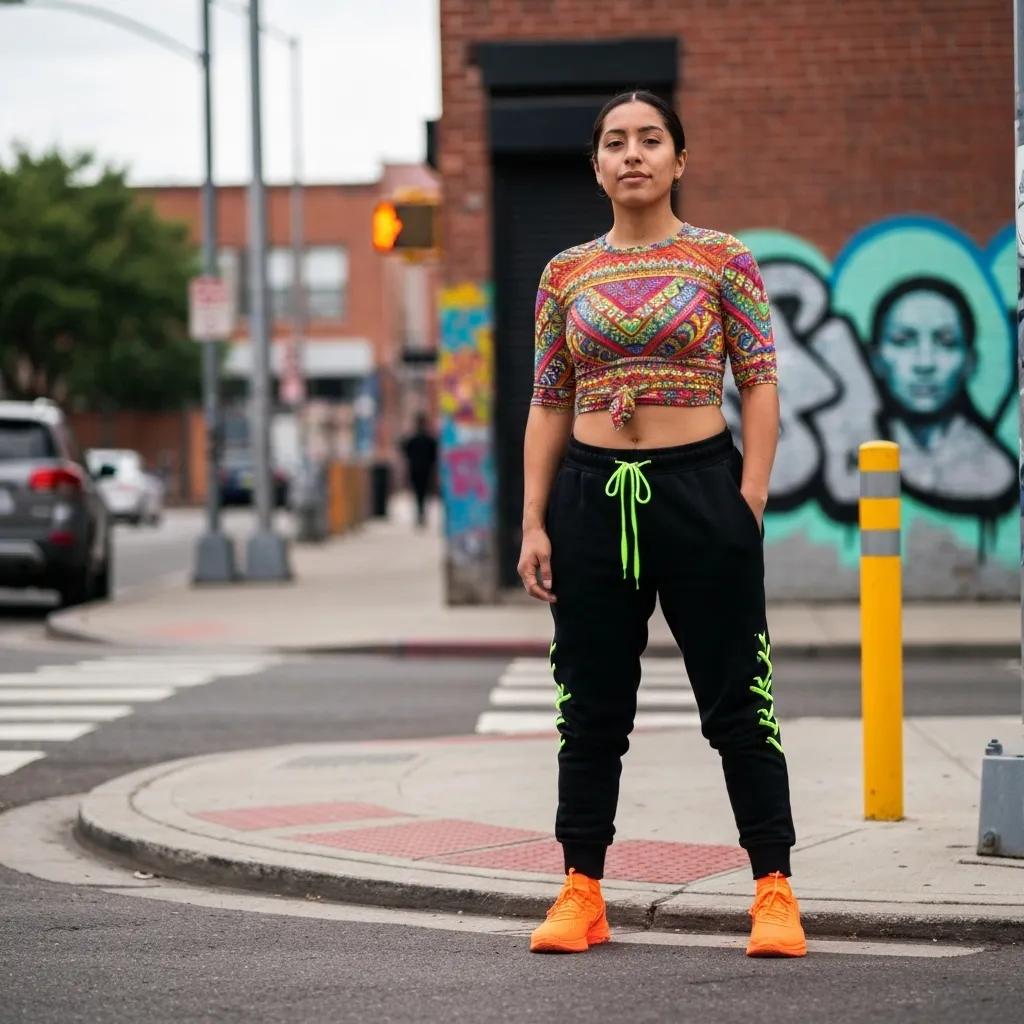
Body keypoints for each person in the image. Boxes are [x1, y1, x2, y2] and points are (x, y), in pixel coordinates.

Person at [519, 91, 805, 958]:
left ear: (680, 160)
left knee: (740, 701)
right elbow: (547, 402)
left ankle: (774, 890)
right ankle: (582, 891)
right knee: (590, 708)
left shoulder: (724, 260)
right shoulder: (563, 273)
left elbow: (759, 381)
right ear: (597, 165)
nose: (633, 153)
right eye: (616, 141)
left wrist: (746, 498)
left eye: (651, 139)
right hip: (591, 498)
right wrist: (534, 520)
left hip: (701, 492)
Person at [400, 413, 438, 528]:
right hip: (427, 469)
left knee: (418, 493)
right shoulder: (429, 438)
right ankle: (422, 514)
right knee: (425, 493)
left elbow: (404, 449)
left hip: (415, 469)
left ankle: (419, 514)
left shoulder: (412, 438)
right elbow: (435, 453)